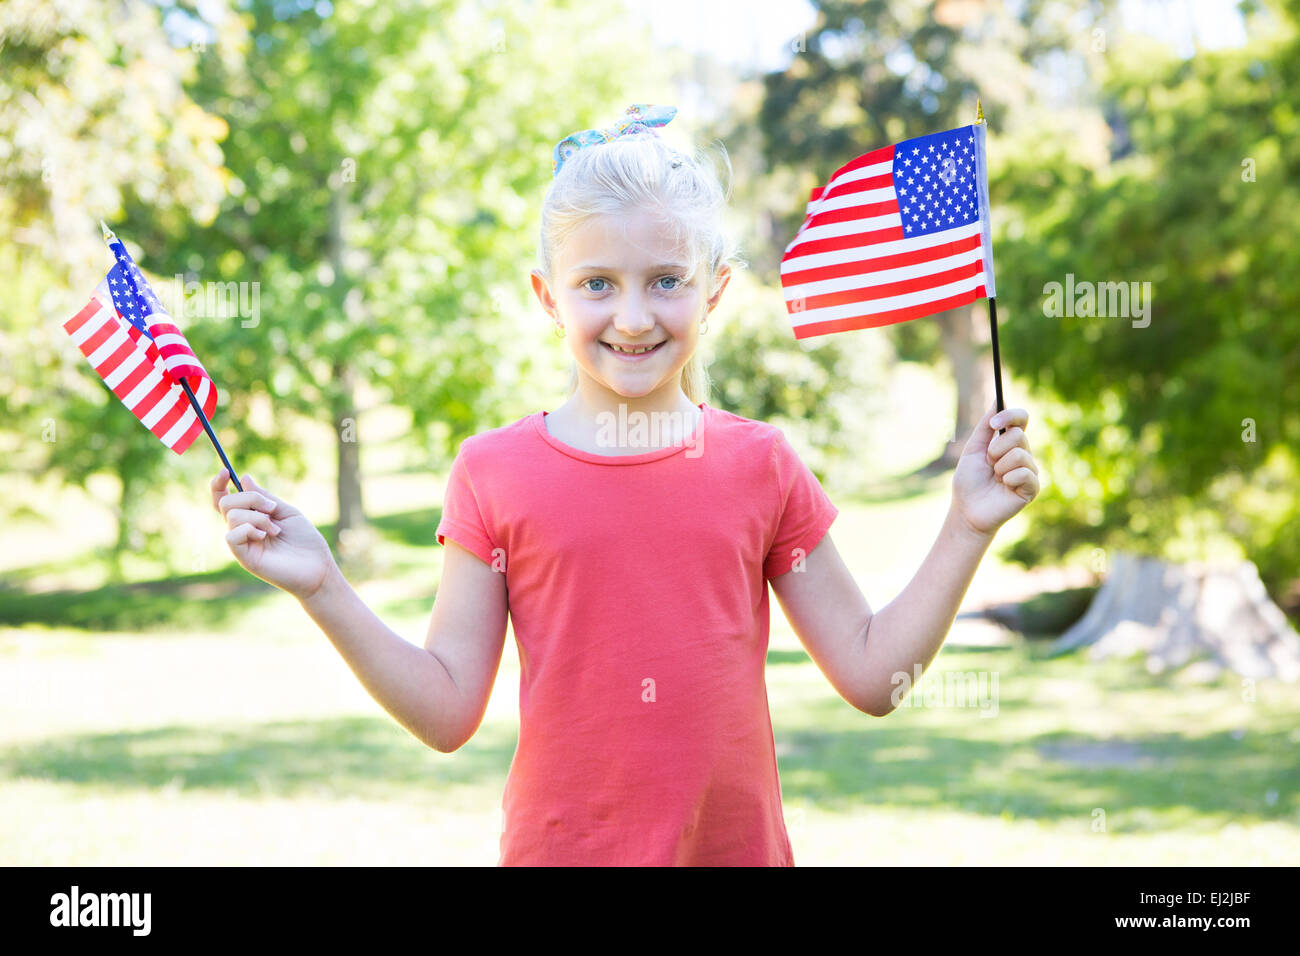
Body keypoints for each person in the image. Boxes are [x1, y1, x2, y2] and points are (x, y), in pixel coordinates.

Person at [210, 103, 1041, 866]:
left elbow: (871, 675)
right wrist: (321, 585)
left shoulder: (761, 465)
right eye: (597, 284)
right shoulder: (492, 472)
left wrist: (968, 524)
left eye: (666, 280)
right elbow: (446, 710)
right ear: (549, 296)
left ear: (713, 291)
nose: (635, 316)